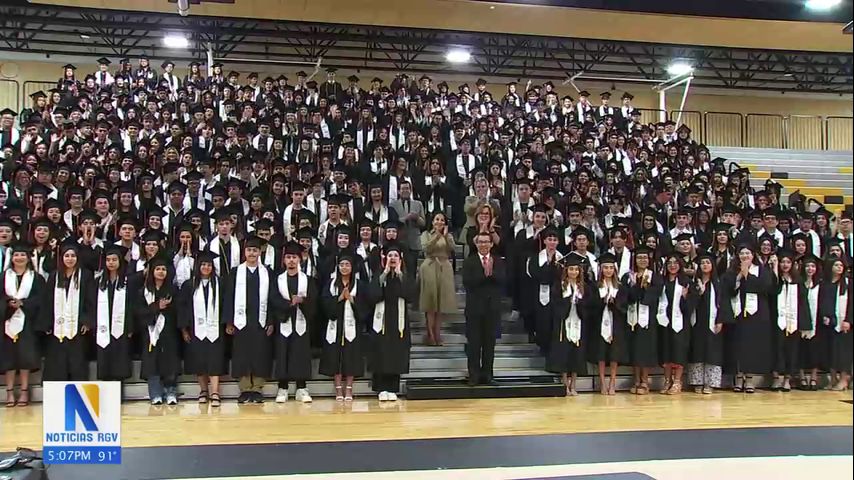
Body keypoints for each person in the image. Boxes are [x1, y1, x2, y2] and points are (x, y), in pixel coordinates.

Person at [720, 242, 775, 393]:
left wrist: (747, 276)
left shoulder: (762, 270)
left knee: (752, 347)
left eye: (748, 253)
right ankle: (738, 377)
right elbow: (727, 290)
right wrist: (739, 276)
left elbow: (766, 288)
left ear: (753, 255)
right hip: (737, 315)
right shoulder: (731, 271)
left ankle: (750, 379)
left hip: (757, 315)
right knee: (737, 346)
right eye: (742, 253)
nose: (745, 256)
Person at [227, 236, 275, 404]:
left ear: (260, 252)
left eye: (255, 250)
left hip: (260, 321)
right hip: (241, 321)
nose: (252, 253)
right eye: (249, 250)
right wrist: (229, 321)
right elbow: (229, 298)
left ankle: (257, 389)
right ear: (244, 252)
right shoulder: (235, 272)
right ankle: (245, 388)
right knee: (243, 354)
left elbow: (272, 299)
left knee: (260, 354)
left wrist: (270, 320)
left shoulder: (267, 272)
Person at [178, 250, 229, 408]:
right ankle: (203, 391)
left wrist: (227, 323)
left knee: (214, 360)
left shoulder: (220, 283)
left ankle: (215, 392)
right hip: (196, 329)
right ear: (198, 266)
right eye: (203, 264)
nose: (206, 267)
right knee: (199, 361)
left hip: (215, 329)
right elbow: (182, 308)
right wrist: (184, 330)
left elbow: (226, 305)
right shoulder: (189, 284)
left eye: (209, 265)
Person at [39, 240, 94, 382]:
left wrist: (87, 321)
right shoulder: (54, 276)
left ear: (78, 258)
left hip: (77, 328)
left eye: (73, 256)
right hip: (58, 328)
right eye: (67, 256)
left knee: (77, 362)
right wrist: (48, 323)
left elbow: (91, 300)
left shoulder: (86, 276)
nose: (70, 259)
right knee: (57, 362)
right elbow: (47, 301)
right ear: (62, 258)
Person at [367, 244, 416, 401]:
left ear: (400, 259)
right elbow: (373, 296)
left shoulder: (405, 276)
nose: (392, 258)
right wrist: (385, 272)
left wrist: (400, 274)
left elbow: (410, 296)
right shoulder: (379, 276)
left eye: (395, 256)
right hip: (382, 322)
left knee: (396, 353)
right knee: (381, 352)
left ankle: (392, 387)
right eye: (390, 256)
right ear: (385, 259)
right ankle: (381, 388)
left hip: (398, 323)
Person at [1, 243, 46, 407]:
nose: (19, 258)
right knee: (9, 358)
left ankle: (25, 392)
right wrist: (8, 303)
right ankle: (10, 392)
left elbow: (41, 299)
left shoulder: (36, 278)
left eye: (22, 255)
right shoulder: (4, 276)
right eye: (16, 255)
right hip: (7, 321)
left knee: (25, 357)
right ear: (12, 258)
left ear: (28, 258)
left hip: (28, 322)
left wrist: (23, 303)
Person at [273, 241, 318, 404]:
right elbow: (273, 299)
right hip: (283, 321)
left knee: (300, 354)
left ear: (300, 260)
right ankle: (283, 388)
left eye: (294, 257)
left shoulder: (308, 280)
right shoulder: (277, 279)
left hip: (301, 322)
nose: (291, 260)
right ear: (284, 260)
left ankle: (301, 388)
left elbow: (314, 301)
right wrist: (288, 304)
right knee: (283, 354)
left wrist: (302, 301)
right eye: (288, 257)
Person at [462, 231, 507, 386]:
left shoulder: (498, 261)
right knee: (474, 344)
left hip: (492, 309)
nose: (483, 244)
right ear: (476, 244)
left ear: (491, 244)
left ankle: (488, 375)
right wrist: (485, 276)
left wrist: (491, 274)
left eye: (486, 242)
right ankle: (474, 376)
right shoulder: (470, 261)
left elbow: (503, 279)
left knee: (489, 344)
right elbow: (467, 282)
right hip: (474, 309)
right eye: (480, 242)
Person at [320, 252, 366, 401]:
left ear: (352, 267)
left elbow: (365, 307)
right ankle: (338, 388)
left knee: (351, 356)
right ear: (338, 267)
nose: (344, 267)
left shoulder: (359, 284)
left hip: (352, 325)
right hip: (335, 324)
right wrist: (339, 298)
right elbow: (325, 305)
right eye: (342, 265)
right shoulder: (331, 283)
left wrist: (352, 299)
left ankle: (350, 388)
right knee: (335, 355)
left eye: (347, 265)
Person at [135, 256, 181, 405]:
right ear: (152, 272)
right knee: (152, 363)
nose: (161, 272)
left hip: (168, 331)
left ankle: (171, 392)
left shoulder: (173, 290)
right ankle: (155, 394)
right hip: (150, 332)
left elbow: (178, 310)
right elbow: (139, 312)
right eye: (158, 269)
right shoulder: (144, 291)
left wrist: (168, 307)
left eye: (163, 269)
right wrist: (156, 307)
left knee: (170, 362)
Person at [546, 254, 594, 396]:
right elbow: (554, 305)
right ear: (566, 270)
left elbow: (589, 305)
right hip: (563, 323)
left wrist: (579, 304)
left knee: (576, 354)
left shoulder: (584, 288)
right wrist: (568, 302)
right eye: (571, 269)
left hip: (578, 322)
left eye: (576, 269)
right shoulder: (559, 286)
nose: (573, 272)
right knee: (564, 353)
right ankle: (565, 384)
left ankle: (574, 384)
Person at [623, 245, 663, 395]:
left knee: (646, 349)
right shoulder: (628, 277)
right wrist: (635, 287)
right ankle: (636, 380)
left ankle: (645, 381)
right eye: (639, 257)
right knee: (634, 349)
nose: (642, 260)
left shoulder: (655, 276)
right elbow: (626, 296)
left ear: (649, 259)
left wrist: (644, 288)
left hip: (648, 319)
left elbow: (655, 295)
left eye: (645, 257)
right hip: (632, 319)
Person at [657, 253, 697, 395]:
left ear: (680, 265)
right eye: (669, 263)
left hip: (680, 322)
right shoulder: (661, 281)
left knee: (679, 351)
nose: (672, 265)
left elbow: (690, 307)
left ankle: (677, 382)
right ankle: (667, 381)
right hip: (664, 322)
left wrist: (686, 298)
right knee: (666, 351)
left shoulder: (686, 282)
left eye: (675, 263)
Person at [770, 250, 810, 392]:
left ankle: (787, 379)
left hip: (793, 322)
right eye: (782, 262)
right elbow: (771, 292)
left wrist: (805, 324)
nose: (785, 264)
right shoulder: (775, 279)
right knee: (776, 349)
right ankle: (776, 378)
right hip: (776, 322)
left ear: (792, 264)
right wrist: (774, 271)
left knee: (791, 350)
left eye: (788, 262)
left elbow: (803, 303)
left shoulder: (798, 281)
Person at [94, 245, 134, 384]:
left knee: (119, 358)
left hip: (121, 328)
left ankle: (118, 391)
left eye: (114, 259)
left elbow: (131, 306)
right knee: (105, 356)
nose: (111, 262)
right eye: (108, 259)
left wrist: (130, 327)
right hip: (103, 327)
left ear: (120, 261)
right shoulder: (98, 282)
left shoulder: (127, 282)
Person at [588, 252, 627, 395]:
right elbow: (590, 305)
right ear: (601, 270)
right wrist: (602, 302)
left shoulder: (620, 287)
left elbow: (624, 306)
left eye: (611, 267)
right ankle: (602, 382)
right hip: (599, 323)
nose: (608, 270)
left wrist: (614, 304)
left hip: (616, 324)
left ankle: (612, 382)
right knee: (601, 353)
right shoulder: (594, 286)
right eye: (605, 268)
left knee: (614, 354)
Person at [687, 253, 725, 394]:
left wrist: (720, 320)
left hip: (712, 322)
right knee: (697, 349)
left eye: (708, 262)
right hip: (697, 322)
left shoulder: (717, 284)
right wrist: (699, 293)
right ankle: (697, 381)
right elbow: (688, 304)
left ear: (712, 266)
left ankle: (710, 383)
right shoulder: (694, 284)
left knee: (712, 351)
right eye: (702, 263)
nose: (705, 265)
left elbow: (723, 304)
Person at [418, 212, 457, 346]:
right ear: (432, 221)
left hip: (444, 266)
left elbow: (452, 248)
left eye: (442, 220)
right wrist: (438, 236)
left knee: (441, 304)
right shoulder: (426, 234)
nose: (439, 222)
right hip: (429, 265)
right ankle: (430, 334)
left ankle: (438, 333)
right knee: (430, 303)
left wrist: (445, 236)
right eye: (437, 219)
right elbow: (426, 248)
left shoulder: (448, 235)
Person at [819, 256, 852, 391]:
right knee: (830, 352)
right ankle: (833, 379)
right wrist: (824, 316)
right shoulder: (825, 283)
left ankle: (844, 379)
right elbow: (821, 301)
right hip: (829, 323)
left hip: (844, 323)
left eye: (841, 265)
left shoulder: (848, 283)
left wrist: (849, 320)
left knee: (843, 353)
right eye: (836, 265)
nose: (839, 267)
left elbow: (851, 304)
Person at [798, 254, 823, 391]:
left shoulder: (820, 284)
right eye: (807, 266)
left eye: (812, 266)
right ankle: (801, 377)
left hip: (817, 321)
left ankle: (813, 378)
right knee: (800, 350)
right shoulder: (799, 283)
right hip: (801, 322)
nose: (810, 268)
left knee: (815, 351)